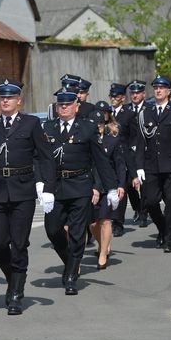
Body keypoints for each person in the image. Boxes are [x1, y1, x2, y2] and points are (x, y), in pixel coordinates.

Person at [0, 79, 56, 315]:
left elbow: (45, 156)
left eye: (10, 97)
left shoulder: (31, 123)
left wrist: (48, 187)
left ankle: (17, 292)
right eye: (2, 97)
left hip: (22, 191)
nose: (5, 100)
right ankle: (12, 278)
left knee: (19, 244)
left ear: (19, 100)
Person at [42, 86, 119, 294]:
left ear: (76, 106)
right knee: (52, 230)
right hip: (55, 187)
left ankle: (70, 276)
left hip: (80, 185)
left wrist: (111, 187)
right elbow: (39, 158)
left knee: (77, 233)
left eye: (68, 104)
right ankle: (70, 261)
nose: (64, 107)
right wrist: (41, 184)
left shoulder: (87, 128)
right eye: (61, 104)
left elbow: (101, 160)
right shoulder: (47, 128)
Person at [134, 76, 171, 253]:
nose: (158, 90)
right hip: (151, 166)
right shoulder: (146, 113)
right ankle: (164, 229)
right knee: (150, 202)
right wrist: (139, 166)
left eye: (162, 88)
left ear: (168, 91)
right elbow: (141, 141)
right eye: (156, 87)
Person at [89, 101, 125, 269]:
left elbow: (119, 164)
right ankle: (102, 242)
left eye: (100, 123)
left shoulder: (112, 140)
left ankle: (103, 253)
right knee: (92, 223)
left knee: (105, 220)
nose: (98, 126)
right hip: (91, 185)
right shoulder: (87, 141)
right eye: (94, 124)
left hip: (108, 184)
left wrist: (121, 185)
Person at [108, 83, 137, 238]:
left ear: (122, 98)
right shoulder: (106, 113)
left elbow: (134, 136)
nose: (113, 99)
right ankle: (109, 219)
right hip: (109, 156)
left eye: (116, 96)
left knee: (121, 189)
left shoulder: (129, 114)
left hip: (124, 156)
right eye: (111, 96)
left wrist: (132, 152)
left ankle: (118, 222)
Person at [124, 80, 149, 227]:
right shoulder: (126, 110)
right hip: (129, 152)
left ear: (143, 94)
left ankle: (144, 214)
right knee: (129, 184)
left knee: (144, 183)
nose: (135, 95)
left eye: (137, 93)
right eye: (132, 93)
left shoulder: (149, 108)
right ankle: (137, 208)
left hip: (145, 151)